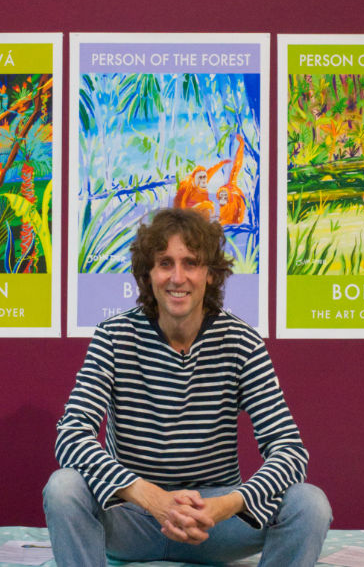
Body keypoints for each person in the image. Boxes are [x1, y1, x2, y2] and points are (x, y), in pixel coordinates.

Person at [43, 208, 331, 566]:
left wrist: (226, 505)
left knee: (310, 503)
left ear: (210, 274)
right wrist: (151, 498)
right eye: (165, 263)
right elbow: (71, 436)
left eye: (190, 263)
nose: (177, 277)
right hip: (132, 517)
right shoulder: (113, 337)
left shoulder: (242, 342)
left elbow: (289, 451)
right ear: (147, 275)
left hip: (214, 523)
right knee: (63, 487)